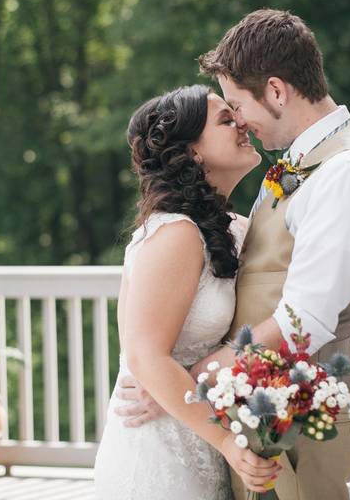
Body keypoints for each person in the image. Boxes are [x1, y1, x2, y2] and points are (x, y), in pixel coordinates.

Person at [114, 9, 350, 500]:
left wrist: (191, 378)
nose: (240, 122)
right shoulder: (293, 167)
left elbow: (304, 319)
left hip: (303, 413)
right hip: (248, 415)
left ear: (276, 91)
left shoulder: (349, 170)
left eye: (235, 105)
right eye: (226, 113)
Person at [94, 84, 280, 499]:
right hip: (159, 453)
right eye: (226, 119)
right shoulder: (175, 233)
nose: (242, 124)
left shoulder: (233, 228)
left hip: (201, 435)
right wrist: (230, 444)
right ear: (193, 151)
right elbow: (144, 355)